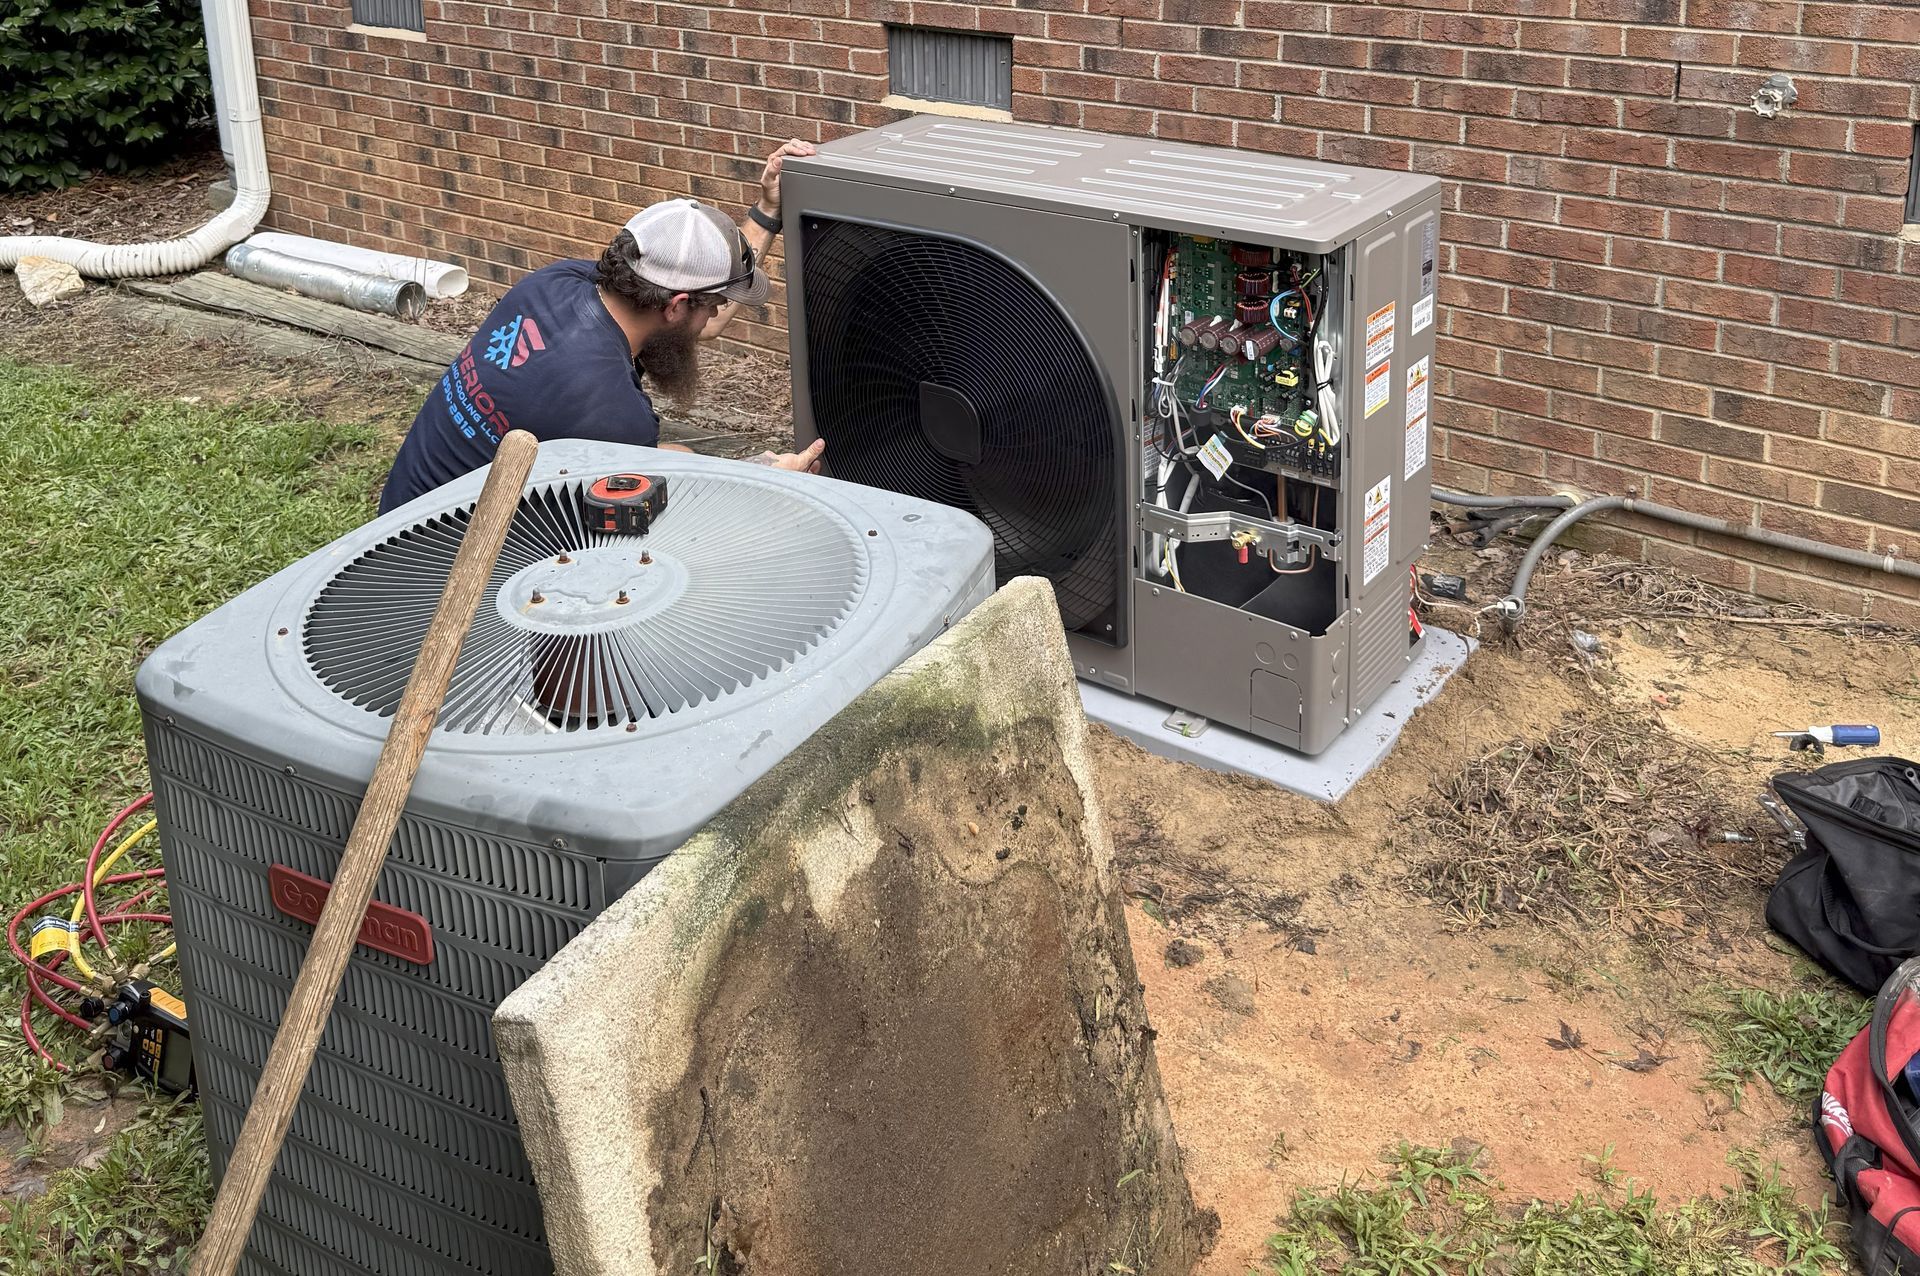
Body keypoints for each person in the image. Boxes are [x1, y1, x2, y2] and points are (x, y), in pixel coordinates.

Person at [377, 139, 825, 513]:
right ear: (676, 306)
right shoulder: (608, 410)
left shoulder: (556, 282)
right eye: (717, 303)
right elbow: (665, 499)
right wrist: (762, 479)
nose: (717, 315)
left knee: (676, 456)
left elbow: (698, 324)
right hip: (447, 565)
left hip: (404, 510)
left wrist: (768, 209)